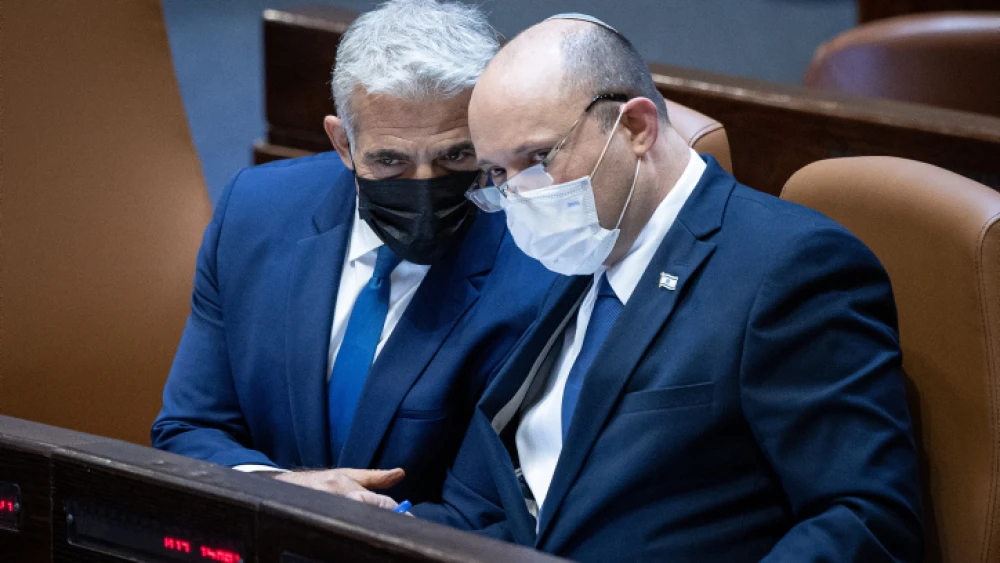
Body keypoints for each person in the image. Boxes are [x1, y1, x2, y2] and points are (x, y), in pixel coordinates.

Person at [360, 13, 924, 562]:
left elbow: (864, 521)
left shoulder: (790, 267)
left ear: (635, 127)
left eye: (538, 159)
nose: (521, 196)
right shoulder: (573, 261)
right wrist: (357, 521)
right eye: (499, 176)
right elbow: (489, 510)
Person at [151, 0, 556, 506]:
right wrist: (281, 490)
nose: (424, 185)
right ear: (343, 144)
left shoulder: (542, 269)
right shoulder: (255, 214)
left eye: (455, 155)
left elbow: (496, 511)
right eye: (390, 160)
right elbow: (189, 429)